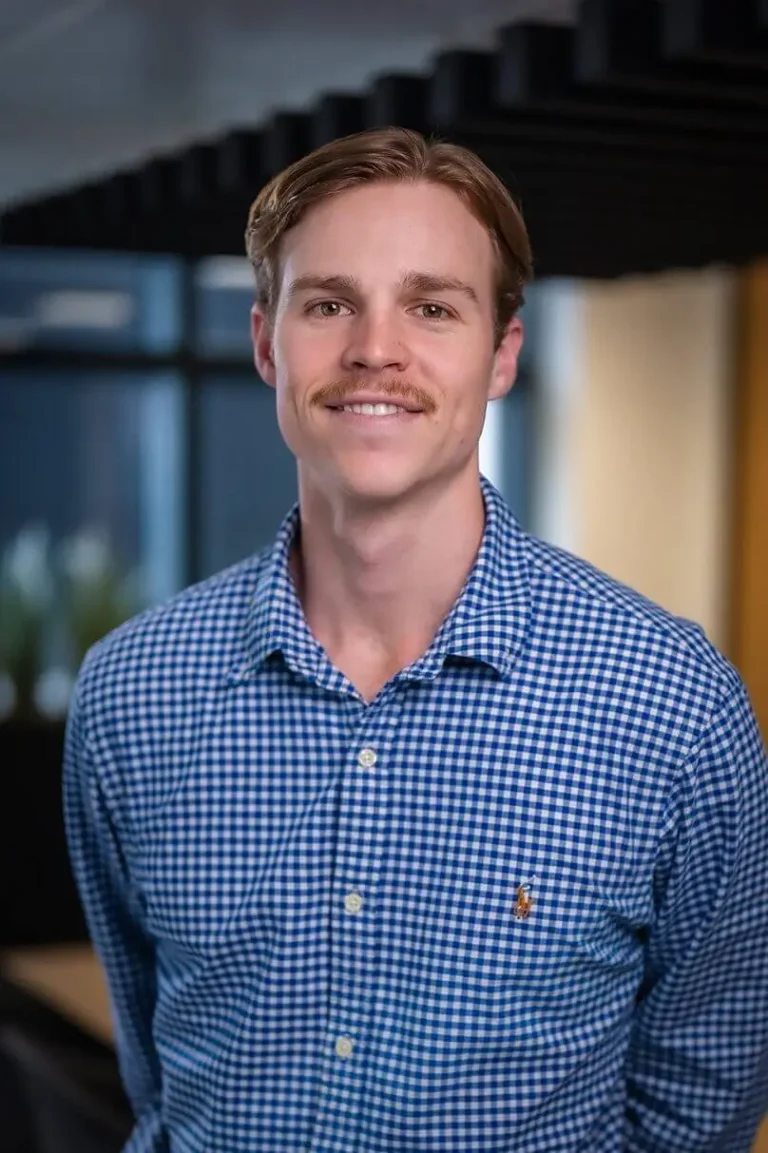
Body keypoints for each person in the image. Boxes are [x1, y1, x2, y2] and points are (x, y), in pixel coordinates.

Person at [63, 126, 768, 1152]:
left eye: (432, 306)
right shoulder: (132, 691)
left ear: (503, 354)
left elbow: (700, 1101)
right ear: (266, 343)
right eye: (328, 304)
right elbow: (158, 1074)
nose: (374, 350)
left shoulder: (673, 704)